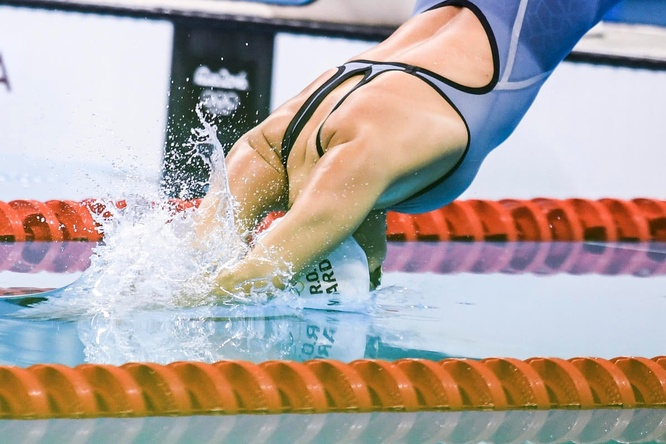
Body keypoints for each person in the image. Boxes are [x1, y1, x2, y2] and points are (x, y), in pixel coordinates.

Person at [195, 0, 623, 298]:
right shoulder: (345, 157)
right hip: (359, 96)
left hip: (348, 97)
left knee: (202, 265)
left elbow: (235, 282)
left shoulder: (341, 156)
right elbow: (249, 278)